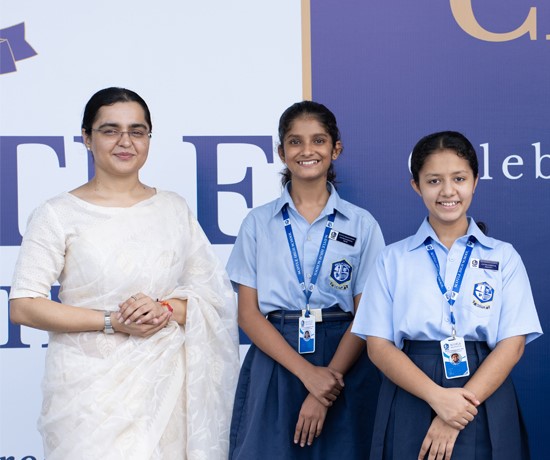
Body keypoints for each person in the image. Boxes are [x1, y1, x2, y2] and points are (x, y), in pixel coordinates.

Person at [9, 87, 240, 459]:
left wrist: (165, 308)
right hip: (88, 398)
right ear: (86, 138)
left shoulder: (172, 209)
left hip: (166, 388)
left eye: (137, 131)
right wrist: (112, 321)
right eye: (110, 130)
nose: (125, 141)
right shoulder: (58, 214)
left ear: (149, 138)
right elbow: (23, 305)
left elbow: (213, 298)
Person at [352, 131, 543, 459]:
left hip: (483, 389)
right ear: (416, 186)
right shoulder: (393, 259)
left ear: (475, 181)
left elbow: (512, 345)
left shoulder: (504, 256)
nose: (448, 191)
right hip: (412, 389)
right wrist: (438, 399)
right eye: (434, 181)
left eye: (459, 178)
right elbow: (379, 347)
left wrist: (457, 412)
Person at [226, 101, 385, 459]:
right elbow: (248, 315)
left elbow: (368, 315)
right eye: (295, 142)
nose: (307, 150)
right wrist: (307, 375)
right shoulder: (258, 223)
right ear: (281, 152)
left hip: (344, 358)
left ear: (335, 148)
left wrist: (325, 382)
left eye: (318, 140)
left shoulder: (361, 224)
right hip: (277, 356)